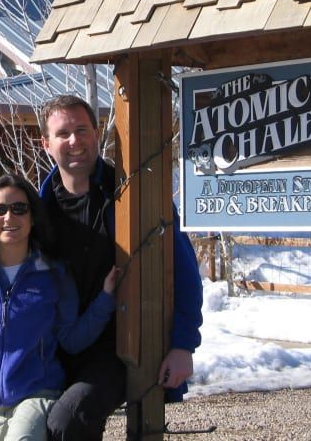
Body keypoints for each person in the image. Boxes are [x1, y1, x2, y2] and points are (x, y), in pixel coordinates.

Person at [38, 94, 203, 441]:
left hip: (120, 349)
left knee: (67, 423)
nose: (74, 141)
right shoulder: (38, 209)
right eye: (63, 133)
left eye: (82, 130)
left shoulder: (133, 195)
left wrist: (183, 345)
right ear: (46, 144)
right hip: (55, 351)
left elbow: (184, 272)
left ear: (98, 134)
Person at [0, 173, 118, 441]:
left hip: (34, 396)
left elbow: (72, 339)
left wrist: (106, 299)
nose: (9, 217)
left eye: (19, 208)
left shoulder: (53, 275)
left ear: (32, 216)